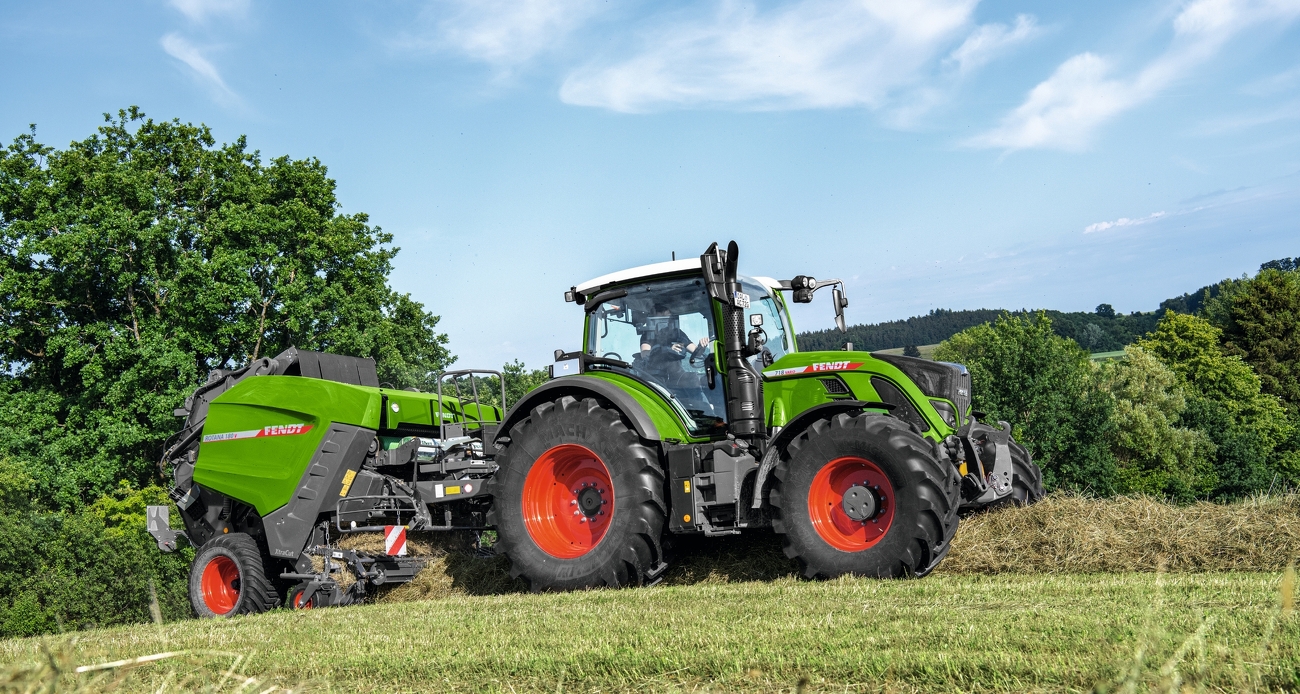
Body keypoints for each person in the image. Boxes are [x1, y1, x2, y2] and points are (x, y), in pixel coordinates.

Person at [638, 305, 710, 373]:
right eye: (662, 316)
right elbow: (645, 354)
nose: (666, 320)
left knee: (693, 379)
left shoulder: (677, 333)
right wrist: (667, 349)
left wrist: (701, 346)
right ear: (654, 316)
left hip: (676, 373)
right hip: (655, 374)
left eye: (668, 317)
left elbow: (696, 353)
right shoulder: (648, 335)